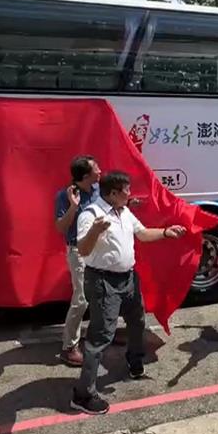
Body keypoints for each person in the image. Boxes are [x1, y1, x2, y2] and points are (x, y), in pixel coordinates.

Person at [71, 171, 187, 415]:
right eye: (126, 190)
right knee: (101, 335)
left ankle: (134, 361)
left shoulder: (123, 211)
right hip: (103, 281)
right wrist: (95, 230)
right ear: (113, 193)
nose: (130, 194)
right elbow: (82, 249)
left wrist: (166, 232)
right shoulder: (91, 215)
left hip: (129, 278)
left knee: (138, 321)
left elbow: (143, 234)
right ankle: (83, 394)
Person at [53, 155, 103, 367]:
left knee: (103, 293)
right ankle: (69, 347)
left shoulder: (98, 190)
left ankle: (99, 336)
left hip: (99, 248)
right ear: (85, 176)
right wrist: (74, 207)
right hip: (78, 250)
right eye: (96, 169)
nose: (100, 171)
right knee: (81, 298)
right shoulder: (65, 196)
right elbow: (61, 229)